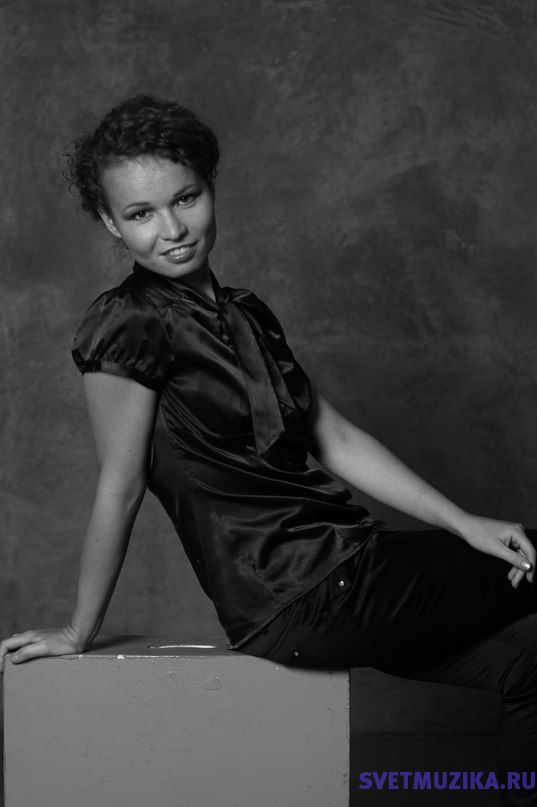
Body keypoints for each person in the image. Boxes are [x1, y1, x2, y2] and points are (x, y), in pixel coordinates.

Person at [1, 94, 536, 802]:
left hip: (351, 570)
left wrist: (465, 523)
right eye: (140, 213)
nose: (172, 230)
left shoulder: (246, 312)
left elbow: (333, 436)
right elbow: (119, 487)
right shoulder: (128, 321)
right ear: (110, 222)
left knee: (526, 666)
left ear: (209, 186)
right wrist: (78, 629)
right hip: (303, 595)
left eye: (185, 198)